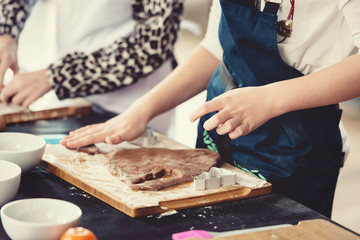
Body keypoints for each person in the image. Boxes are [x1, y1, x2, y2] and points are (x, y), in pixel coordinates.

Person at [61, 0, 360, 218]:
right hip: (219, 125)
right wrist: (140, 111)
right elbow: (214, 48)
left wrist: (269, 99)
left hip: (297, 144)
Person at [0, 0, 184, 136]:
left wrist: (57, 77)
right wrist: (6, 32)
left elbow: (153, 43)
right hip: (75, 98)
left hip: (133, 102)